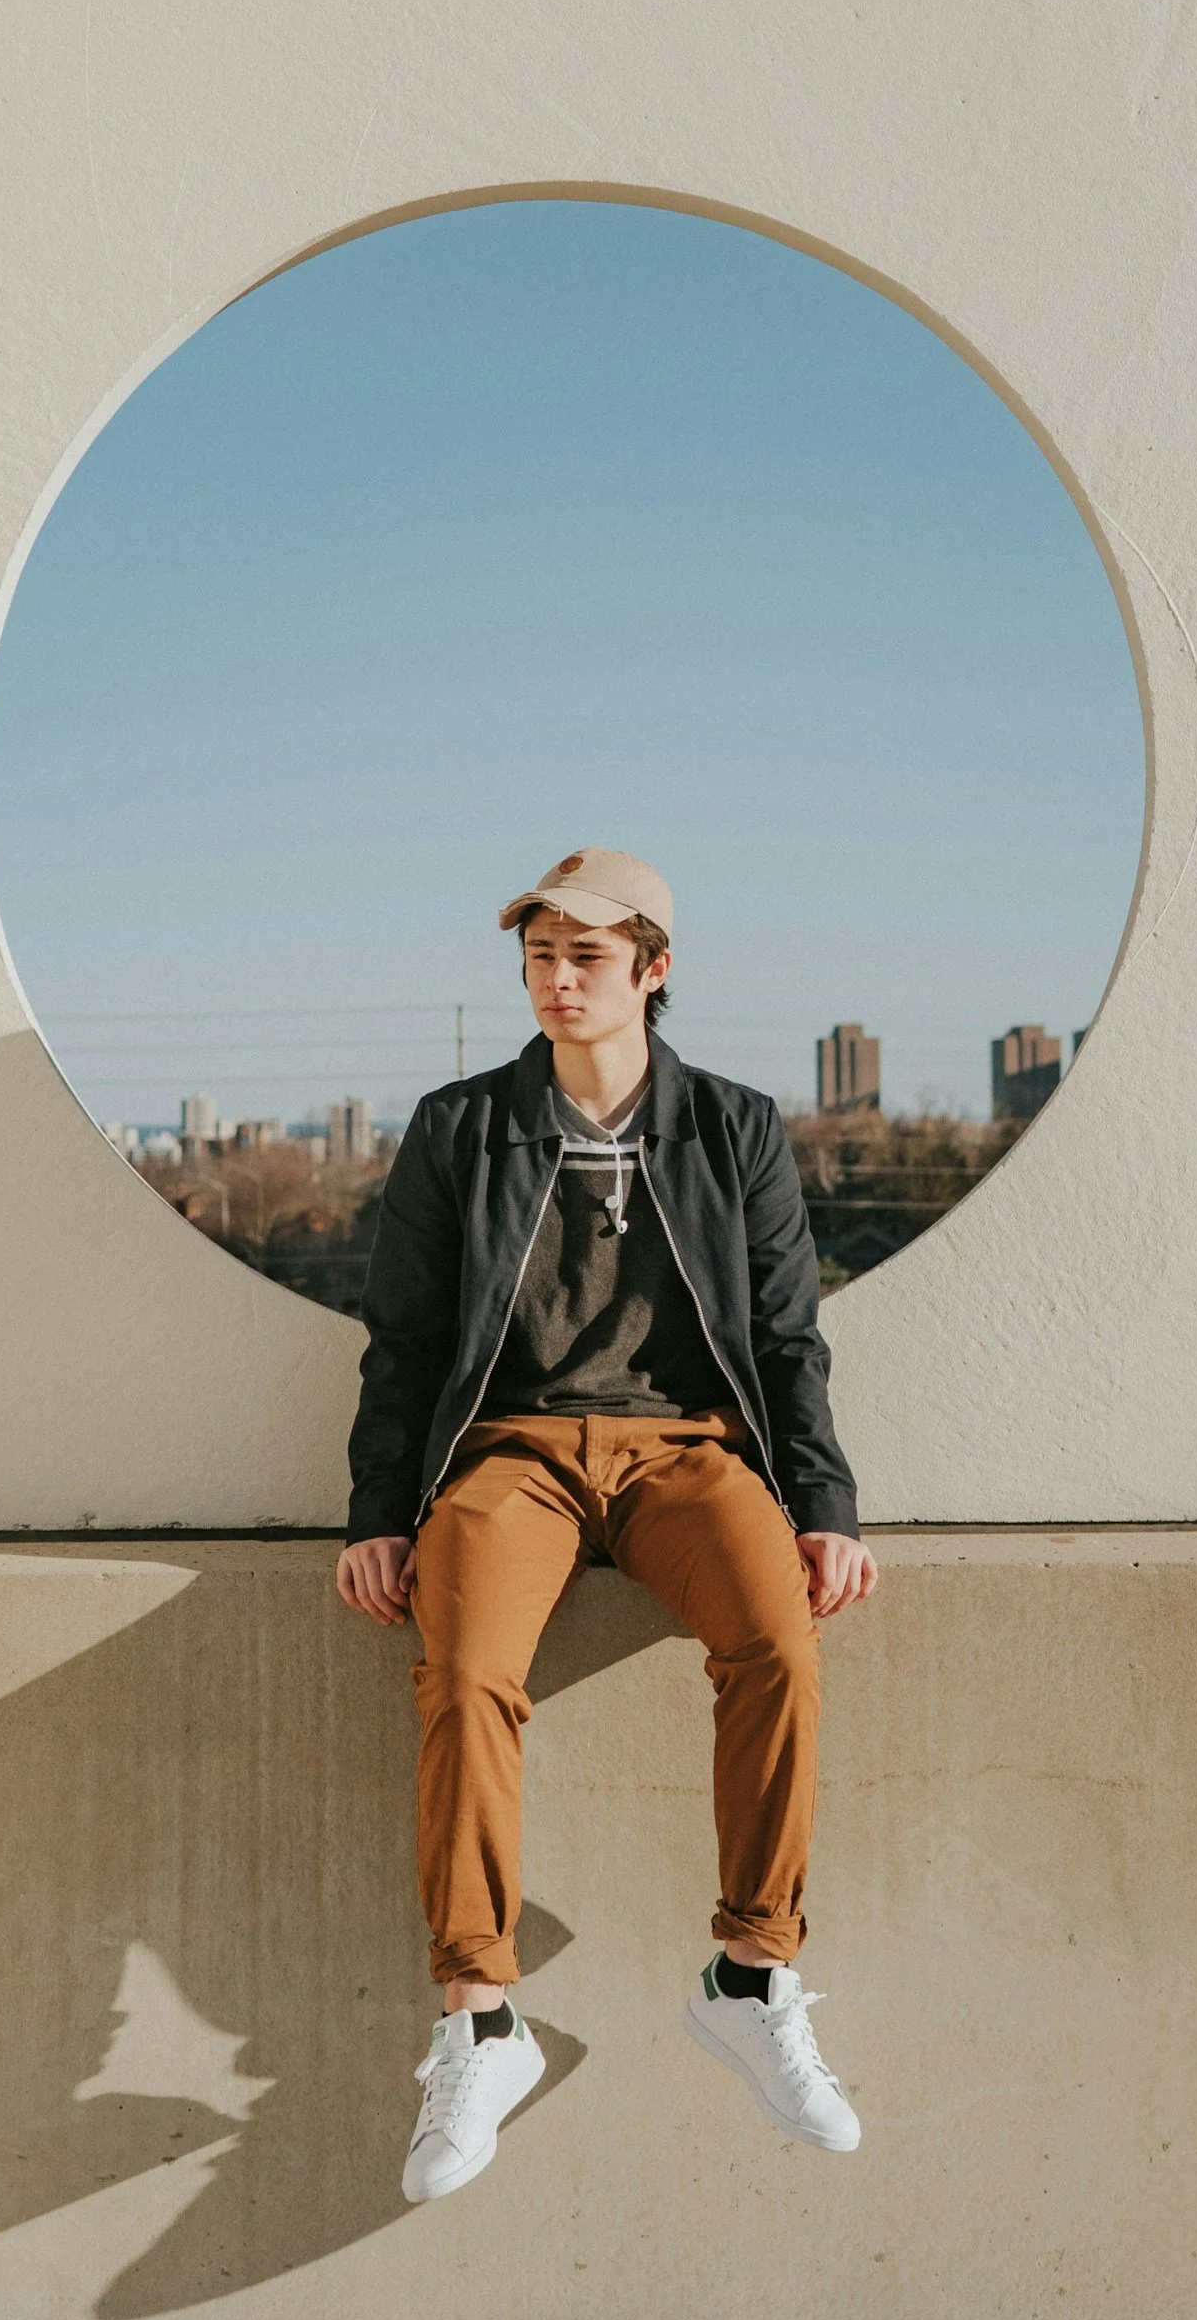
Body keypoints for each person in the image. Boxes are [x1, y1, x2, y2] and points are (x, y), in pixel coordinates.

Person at [336, 847, 879, 2203]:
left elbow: (788, 1335)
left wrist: (821, 1503)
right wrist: (377, 1514)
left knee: (779, 1644)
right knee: (462, 1677)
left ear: (655, 971)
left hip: (688, 1455)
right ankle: (481, 2019)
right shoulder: (460, 1129)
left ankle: (752, 1978)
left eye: (586, 958)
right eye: (538, 956)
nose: (557, 980)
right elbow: (400, 1342)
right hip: (510, 1458)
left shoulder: (734, 1129)